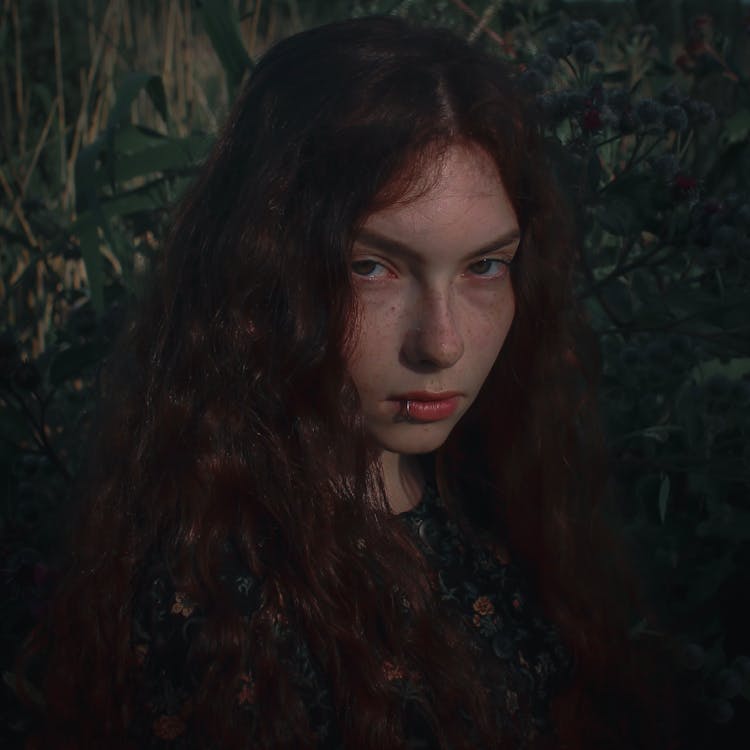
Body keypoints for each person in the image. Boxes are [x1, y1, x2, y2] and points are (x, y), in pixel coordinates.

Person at [24, 15, 677, 750]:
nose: (442, 342)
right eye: (372, 267)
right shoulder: (217, 605)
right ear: (265, 275)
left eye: (484, 266)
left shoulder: (502, 505)